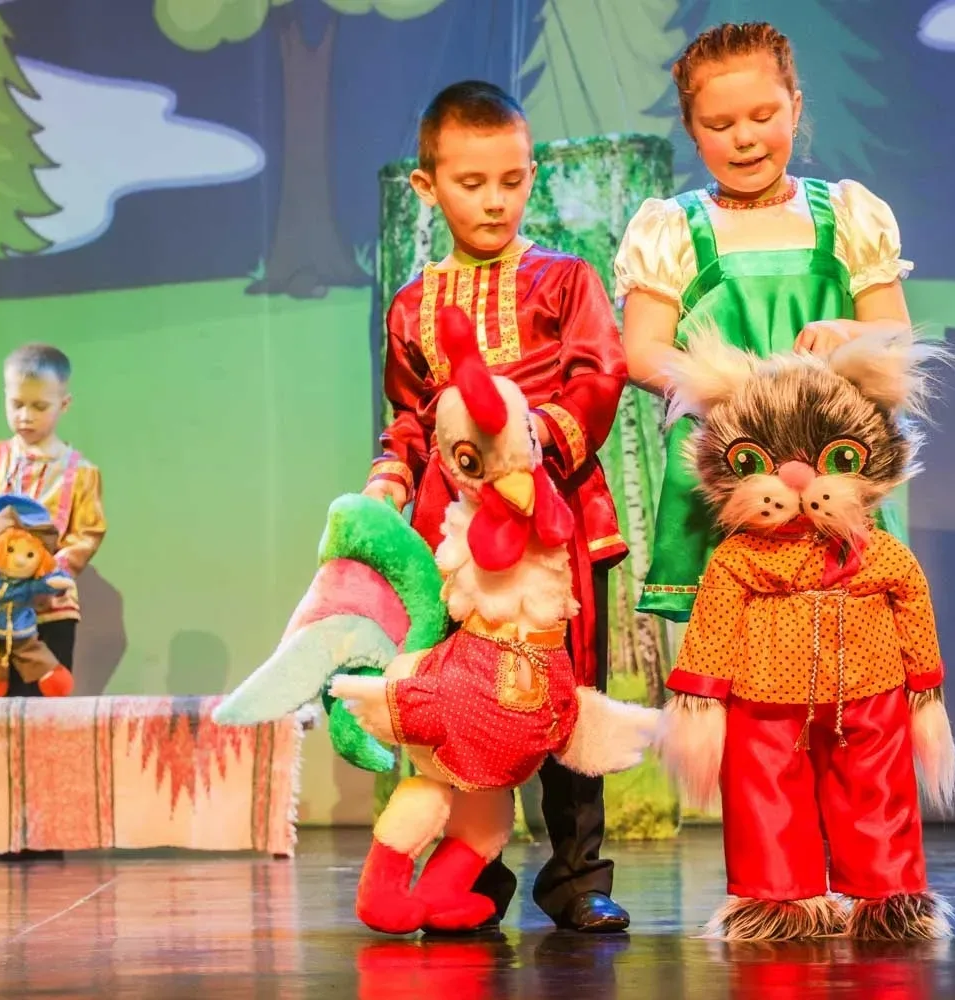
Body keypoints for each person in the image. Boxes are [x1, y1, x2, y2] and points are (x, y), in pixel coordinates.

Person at [363, 80, 631, 933]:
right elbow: (412, 416)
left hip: (555, 530)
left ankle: (577, 876)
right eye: (471, 182)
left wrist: (532, 441)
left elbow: (598, 377)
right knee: (460, 704)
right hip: (456, 541)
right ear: (427, 185)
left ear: (531, 175)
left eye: (511, 181)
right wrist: (391, 476)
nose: (494, 201)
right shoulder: (414, 305)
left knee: (563, 694)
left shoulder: (565, 280)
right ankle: (473, 877)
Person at [614, 22, 915, 622]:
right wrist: (731, 384)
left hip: (833, 464)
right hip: (735, 467)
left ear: (795, 108)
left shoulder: (846, 214)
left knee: (847, 633)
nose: (745, 138)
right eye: (719, 125)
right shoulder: (673, 229)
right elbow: (642, 351)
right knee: (738, 639)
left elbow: (897, 335)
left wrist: (847, 336)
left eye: (762, 116)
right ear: (692, 129)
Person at [0, 343, 107, 693]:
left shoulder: (80, 472)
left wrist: (49, 572)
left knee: (44, 702)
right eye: (17, 404)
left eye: (39, 406)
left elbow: (86, 534)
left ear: (64, 404)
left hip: (50, 610)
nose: (25, 416)